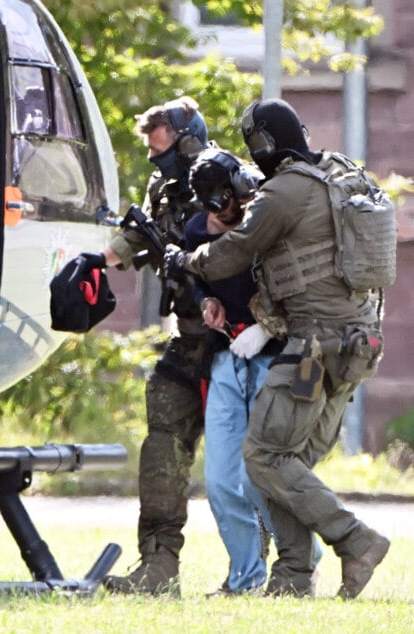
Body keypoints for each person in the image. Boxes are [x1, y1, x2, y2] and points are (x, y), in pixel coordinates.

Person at [165, 98, 391, 598]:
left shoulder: (285, 191)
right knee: (285, 461)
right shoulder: (340, 172)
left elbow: (235, 251)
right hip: (358, 345)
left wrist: (187, 258)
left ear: (264, 144)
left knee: (264, 454)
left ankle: (357, 540)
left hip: (314, 349)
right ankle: (291, 577)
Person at [95, 96, 210, 596]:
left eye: (163, 152)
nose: (156, 163)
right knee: (161, 443)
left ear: (188, 142)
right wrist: (93, 263)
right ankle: (158, 567)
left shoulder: (232, 182)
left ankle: (290, 568)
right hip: (189, 337)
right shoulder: (163, 190)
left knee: (254, 463)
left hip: (241, 340)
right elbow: (136, 240)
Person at [182, 148, 281, 595]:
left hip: (272, 353)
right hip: (226, 357)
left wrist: (263, 330)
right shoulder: (196, 232)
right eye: (212, 206)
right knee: (221, 480)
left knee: (258, 475)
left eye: (226, 202)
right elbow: (196, 277)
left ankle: (304, 561)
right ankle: (245, 578)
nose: (221, 214)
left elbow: (297, 288)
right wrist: (206, 300)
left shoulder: (268, 218)